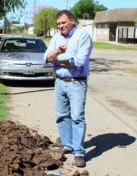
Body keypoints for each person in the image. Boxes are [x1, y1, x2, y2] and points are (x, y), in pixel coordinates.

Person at [44, 10, 93, 167]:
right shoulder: (56, 38)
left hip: (76, 82)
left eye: (63, 22)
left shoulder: (82, 36)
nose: (60, 26)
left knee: (77, 117)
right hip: (59, 82)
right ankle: (67, 145)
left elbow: (79, 62)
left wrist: (57, 60)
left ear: (72, 20)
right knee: (62, 116)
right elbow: (46, 58)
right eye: (58, 24)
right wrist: (58, 51)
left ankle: (79, 152)